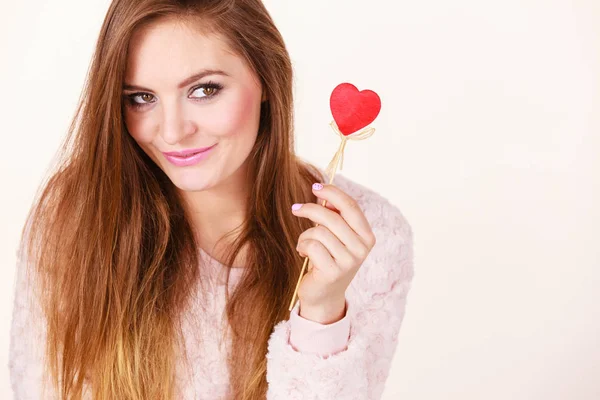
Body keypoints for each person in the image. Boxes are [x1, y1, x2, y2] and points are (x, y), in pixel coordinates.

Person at [8, 0, 414, 399]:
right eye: (141, 97)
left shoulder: (369, 235)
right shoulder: (76, 212)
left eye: (204, 90)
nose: (172, 132)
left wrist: (322, 315)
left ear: (267, 80)